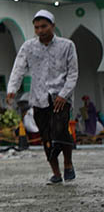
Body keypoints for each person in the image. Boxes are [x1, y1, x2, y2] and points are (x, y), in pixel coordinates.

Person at [7, 10, 79, 185]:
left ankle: (68, 164)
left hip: (60, 97)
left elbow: (73, 73)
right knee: (46, 137)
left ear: (53, 26)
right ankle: (56, 172)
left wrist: (64, 94)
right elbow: (19, 68)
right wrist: (12, 88)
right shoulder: (28, 47)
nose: (40, 30)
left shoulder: (67, 46)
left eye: (44, 26)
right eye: (37, 27)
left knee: (60, 130)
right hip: (39, 98)